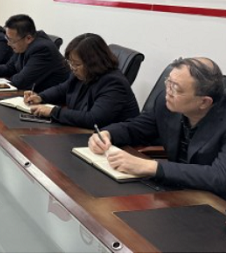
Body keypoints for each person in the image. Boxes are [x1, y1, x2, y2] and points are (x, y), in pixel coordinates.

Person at [88, 57, 226, 199]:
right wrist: (108, 134)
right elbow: (137, 128)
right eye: (168, 82)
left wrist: (151, 167)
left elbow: (220, 177)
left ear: (204, 102)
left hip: (215, 202)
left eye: (176, 88)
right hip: (177, 192)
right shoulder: (166, 103)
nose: (168, 91)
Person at [23, 33, 139, 128]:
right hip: (83, 133)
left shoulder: (113, 83)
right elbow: (62, 90)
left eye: (77, 64)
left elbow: (94, 119)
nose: (73, 68)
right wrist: (40, 97)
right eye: (71, 63)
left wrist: (53, 112)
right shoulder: (81, 75)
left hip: (114, 144)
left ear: (93, 63)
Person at [0, 14, 70, 91]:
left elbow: (21, 81)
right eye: (7, 38)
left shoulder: (42, 49)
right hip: (32, 95)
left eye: (11, 40)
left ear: (28, 38)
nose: (8, 43)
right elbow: (10, 67)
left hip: (52, 101)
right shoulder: (22, 44)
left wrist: (12, 77)